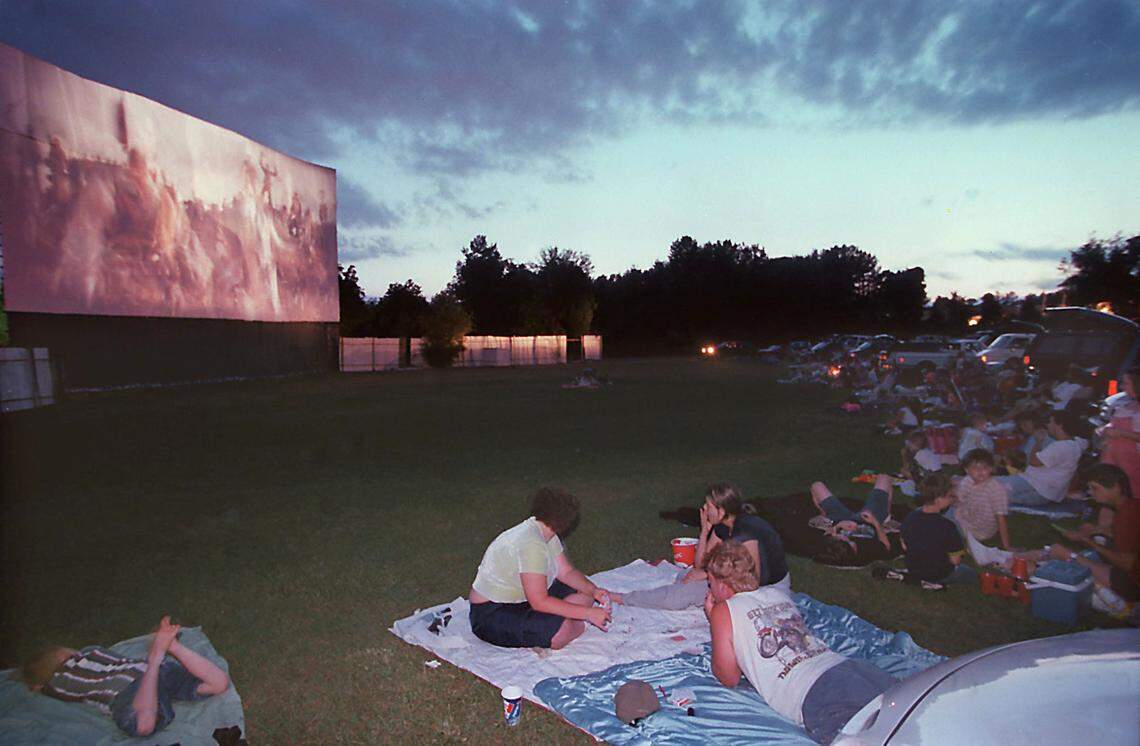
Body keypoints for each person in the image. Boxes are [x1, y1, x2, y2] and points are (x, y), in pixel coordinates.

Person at [704, 542, 896, 745]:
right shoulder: (777, 594)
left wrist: (713, 619)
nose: (710, 589)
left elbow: (728, 677)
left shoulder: (724, 609)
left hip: (813, 688)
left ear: (723, 585)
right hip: (848, 667)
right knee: (907, 717)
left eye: (710, 583)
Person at [19, 616, 230, 737]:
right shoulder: (93, 652)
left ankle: (156, 658)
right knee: (217, 683)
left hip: (123, 691)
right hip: (143, 671)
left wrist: (36, 685)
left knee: (143, 725)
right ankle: (172, 647)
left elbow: (37, 687)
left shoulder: (56, 683)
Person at [469, 488, 612, 649]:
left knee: (584, 592)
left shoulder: (544, 531)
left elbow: (566, 572)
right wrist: (588, 614)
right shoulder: (532, 545)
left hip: (523, 598)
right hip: (492, 612)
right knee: (559, 634)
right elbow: (539, 602)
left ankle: (566, 616)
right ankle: (576, 624)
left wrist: (593, 590)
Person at [618, 484, 789, 610]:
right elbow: (700, 564)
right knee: (685, 575)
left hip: (768, 590)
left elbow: (752, 581)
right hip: (742, 581)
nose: (704, 509)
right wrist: (704, 531)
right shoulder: (723, 525)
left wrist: (708, 576)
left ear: (721, 511)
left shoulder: (746, 532)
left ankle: (621, 598)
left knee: (682, 593)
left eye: (708, 506)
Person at [1047, 464, 1140, 605]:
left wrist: (1088, 541)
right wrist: (1100, 530)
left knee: (1066, 554)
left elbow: (1127, 564)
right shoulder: (1133, 505)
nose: (1090, 492)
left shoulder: (1125, 516)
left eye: (1095, 488)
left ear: (1116, 487)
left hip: (1133, 585)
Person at [996, 410, 1087, 505]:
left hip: (1036, 486)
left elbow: (1034, 462)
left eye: (1050, 422)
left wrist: (1039, 441)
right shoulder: (1077, 443)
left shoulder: (1061, 446)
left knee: (990, 486)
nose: (1047, 426)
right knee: (997, 492)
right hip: (1044, 490)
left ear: (1059, 424)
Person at [901, 473, 976, 586]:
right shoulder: (947, 526)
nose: (952, 498)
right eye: (950, 496)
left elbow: (904, 545)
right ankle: (935, 582)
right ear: (939, 500)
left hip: (913, 568)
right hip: (938, 574)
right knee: (971, 574)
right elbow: (955, 560)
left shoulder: (911, 516)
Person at [808, 473, 895, 550]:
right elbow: (886, 546)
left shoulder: (835, 546)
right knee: (884, 478)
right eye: (844, 539)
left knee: (816, 486)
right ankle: (886, 515)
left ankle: (825, 514)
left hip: (840, 519)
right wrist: (875, 522)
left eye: (839, 537)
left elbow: (828, 535)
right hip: (869, 521)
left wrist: (838, 526)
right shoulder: (865, 548)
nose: (841, 537)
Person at [953, 448, 1012, 551]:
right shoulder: (967, 481)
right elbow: (958, 501)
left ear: (991, 468)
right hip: (966, 518)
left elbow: (1001, 519)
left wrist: (1006, 546)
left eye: (985, 467)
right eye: (975, 468)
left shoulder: (996, 488)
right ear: (967, 470)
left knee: (939, 521)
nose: (980, 471)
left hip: (981, 530)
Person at [1099, 367, 1140, 503]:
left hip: (1133, 463)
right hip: (1114, 458)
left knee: (1131, 493)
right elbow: (1113, 424)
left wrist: (1120, 433)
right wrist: (1105, 429)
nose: (1122, 387)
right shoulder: (1126, 405)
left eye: (1126, 383)